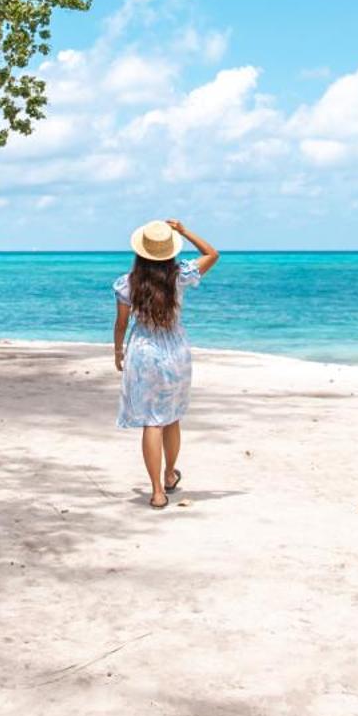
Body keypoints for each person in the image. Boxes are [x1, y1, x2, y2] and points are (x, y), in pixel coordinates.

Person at [112, 218, 219, 509]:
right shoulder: (179, 275)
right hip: (175, 351)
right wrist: (184, 231)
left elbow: (121, 324)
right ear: (169, 251)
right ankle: (170, 473)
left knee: (151, 420)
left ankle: (157, 491)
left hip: (143, 352)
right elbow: (212, 254)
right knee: (171, 417)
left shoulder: (128, 283)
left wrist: (118, 351)